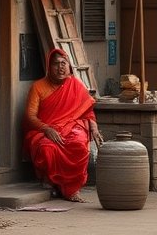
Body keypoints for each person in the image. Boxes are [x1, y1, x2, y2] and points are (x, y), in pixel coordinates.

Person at [23, 48, 103, 202]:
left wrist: (93, 127)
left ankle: (72, 189)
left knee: (79, 145)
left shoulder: (75, 85)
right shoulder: (38, 87)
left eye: (63, 63)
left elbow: (87, 111)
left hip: (72, 127)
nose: (60, 67)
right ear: (49, 67)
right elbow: (30, 116)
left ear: (69, 66)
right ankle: (54, 182)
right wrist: (46, 129)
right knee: (47, 148)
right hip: (45, 129)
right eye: (56, 64)